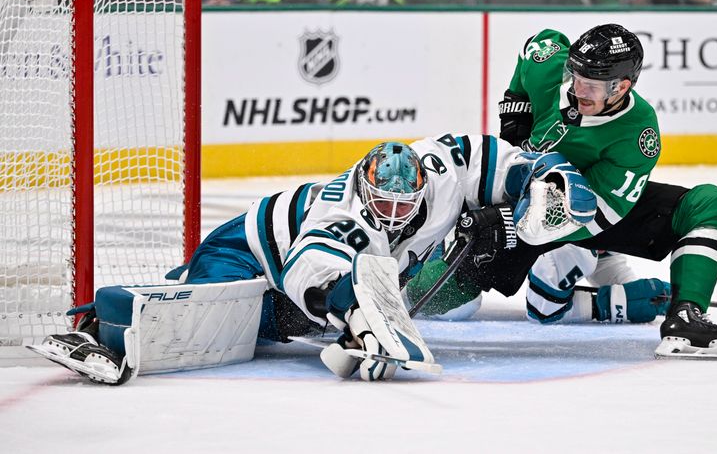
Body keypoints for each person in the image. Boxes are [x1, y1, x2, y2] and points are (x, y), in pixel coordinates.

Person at [31, 135, 584, 383]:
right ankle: (103, 321)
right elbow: (309, 267)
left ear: (422, 189)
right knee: (218, 321)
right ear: (364, 192)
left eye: (402, 204)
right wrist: (356, 315)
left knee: (269, 330)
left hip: (292, 285)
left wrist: (541, 183)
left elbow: (499, 159)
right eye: (381, 204)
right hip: (248, 252)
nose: (392, 215)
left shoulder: (439, 168)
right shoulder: (339, 211)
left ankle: (172, 288)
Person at [408, 23, 717, 360]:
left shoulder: (637, 133)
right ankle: (604, 287)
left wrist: (510, 223)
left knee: (708, 203)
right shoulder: (553, 71)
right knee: (442, 302)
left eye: (592, 85)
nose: (578, 89)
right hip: (523, 196)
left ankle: (685, 315)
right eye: (576, 77)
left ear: (621, 87)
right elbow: (540, 46)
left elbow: (595, 217)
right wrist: (517, 112)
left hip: (580, 213)